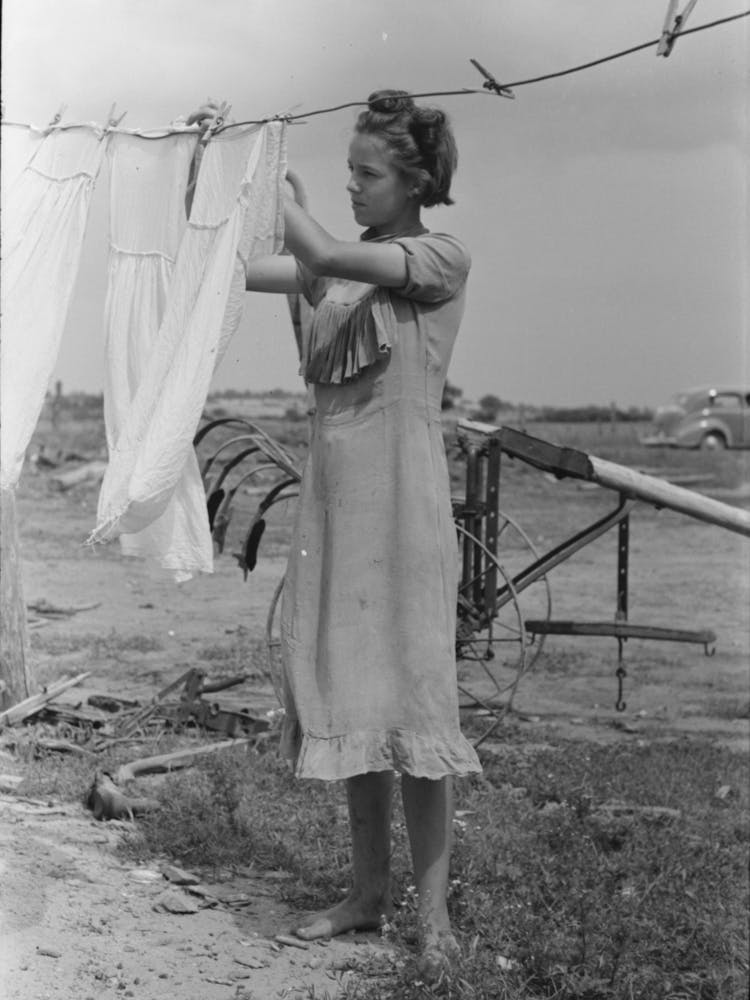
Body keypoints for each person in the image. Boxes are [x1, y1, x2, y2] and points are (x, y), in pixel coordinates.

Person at [190, 89, 481, 975]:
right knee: (357, 693)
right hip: (337, 506)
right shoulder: (336, 268)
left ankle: (431, 916)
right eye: (347, 173)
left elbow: (312, 245)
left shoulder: (436, 256)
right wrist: (216, 172)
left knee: (417, 700)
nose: (354, 187)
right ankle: (366, 894)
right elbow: (240, 266)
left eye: (369, 173)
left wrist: (277, 187)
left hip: (405, 502)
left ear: (418, 179)